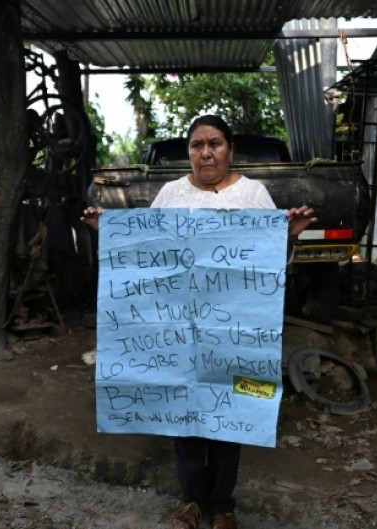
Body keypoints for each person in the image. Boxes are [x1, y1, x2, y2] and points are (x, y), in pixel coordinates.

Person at [81, 114, 316, 529]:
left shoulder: (252, 195)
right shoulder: (170, 194)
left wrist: (289, 234)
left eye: (215, 143)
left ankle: (223, 505)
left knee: (231, 407)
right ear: (188, 152)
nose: (205, 152)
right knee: (185, 410)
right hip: (179, 330)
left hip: (234, 328)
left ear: (230, 149)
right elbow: (145, 250)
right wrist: (111, 232)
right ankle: (191, 501)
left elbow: (266, 268)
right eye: (196, 145)